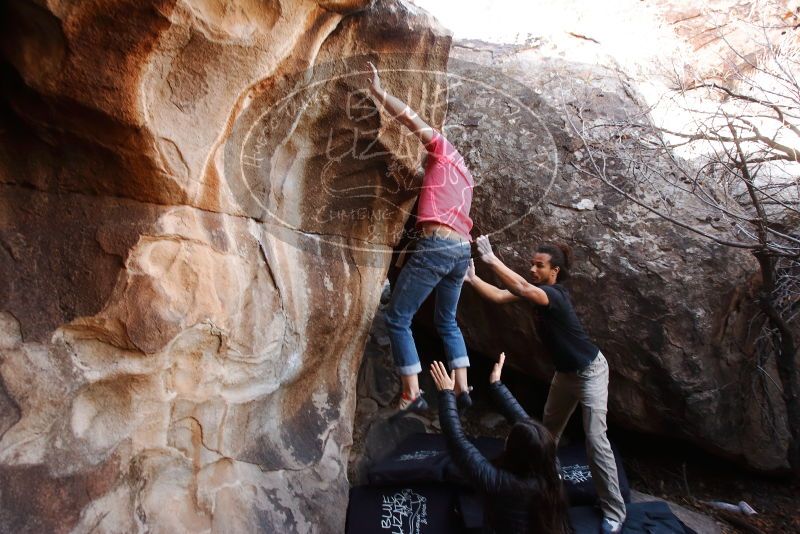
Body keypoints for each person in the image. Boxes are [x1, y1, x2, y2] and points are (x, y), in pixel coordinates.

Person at [464, 236, 626, 533]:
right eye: (532, 264)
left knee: (595, 439)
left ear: (555, 272)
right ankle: (548, 486)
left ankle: (615, 511)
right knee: (546, 434)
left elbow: (522, 288)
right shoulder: (537, 292)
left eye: (539, 265)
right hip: (564, 374)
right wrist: (473, 279)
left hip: (590, 372)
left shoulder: (555, 295)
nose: (533, 269)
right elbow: (500, 295)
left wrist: (491, 259)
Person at [366, 62, 475, 415]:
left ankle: (411, 392)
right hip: (461, 251)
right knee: (447, 321)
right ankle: (462, 386)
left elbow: (410, 119)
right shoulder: (465, 177)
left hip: (439, 245)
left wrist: (380, 93)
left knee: (398, 317)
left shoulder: (442, 149)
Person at [430, 355, 571, 534]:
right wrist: (497, 386)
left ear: (517, 453)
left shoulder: (501, 484)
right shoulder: (551, 466)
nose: (506, 438)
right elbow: (527, 424)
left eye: (509, 438)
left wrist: (446, 394)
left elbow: (457, 442)